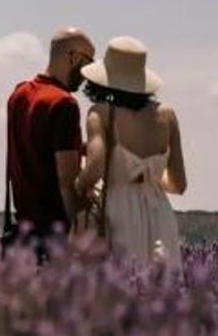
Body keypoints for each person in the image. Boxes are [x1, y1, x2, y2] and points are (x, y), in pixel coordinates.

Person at [75, 37, 186, 269]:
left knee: (122, 289)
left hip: (120, 213)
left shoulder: (101, 113)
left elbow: (95, 167)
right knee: (162, 294)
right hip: (161, 214)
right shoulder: (167, 116)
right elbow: (179, 185)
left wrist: (77, 186)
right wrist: (148, 178)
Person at [5, 27, 96, 260]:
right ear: (74, 58)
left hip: (24, 231)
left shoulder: (19, 94)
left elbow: (37, 144)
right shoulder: (64, 103)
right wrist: (81, 231)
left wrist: (85, 148)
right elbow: (67, 182)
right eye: (88, 63)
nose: (87, 74)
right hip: (55, 233)